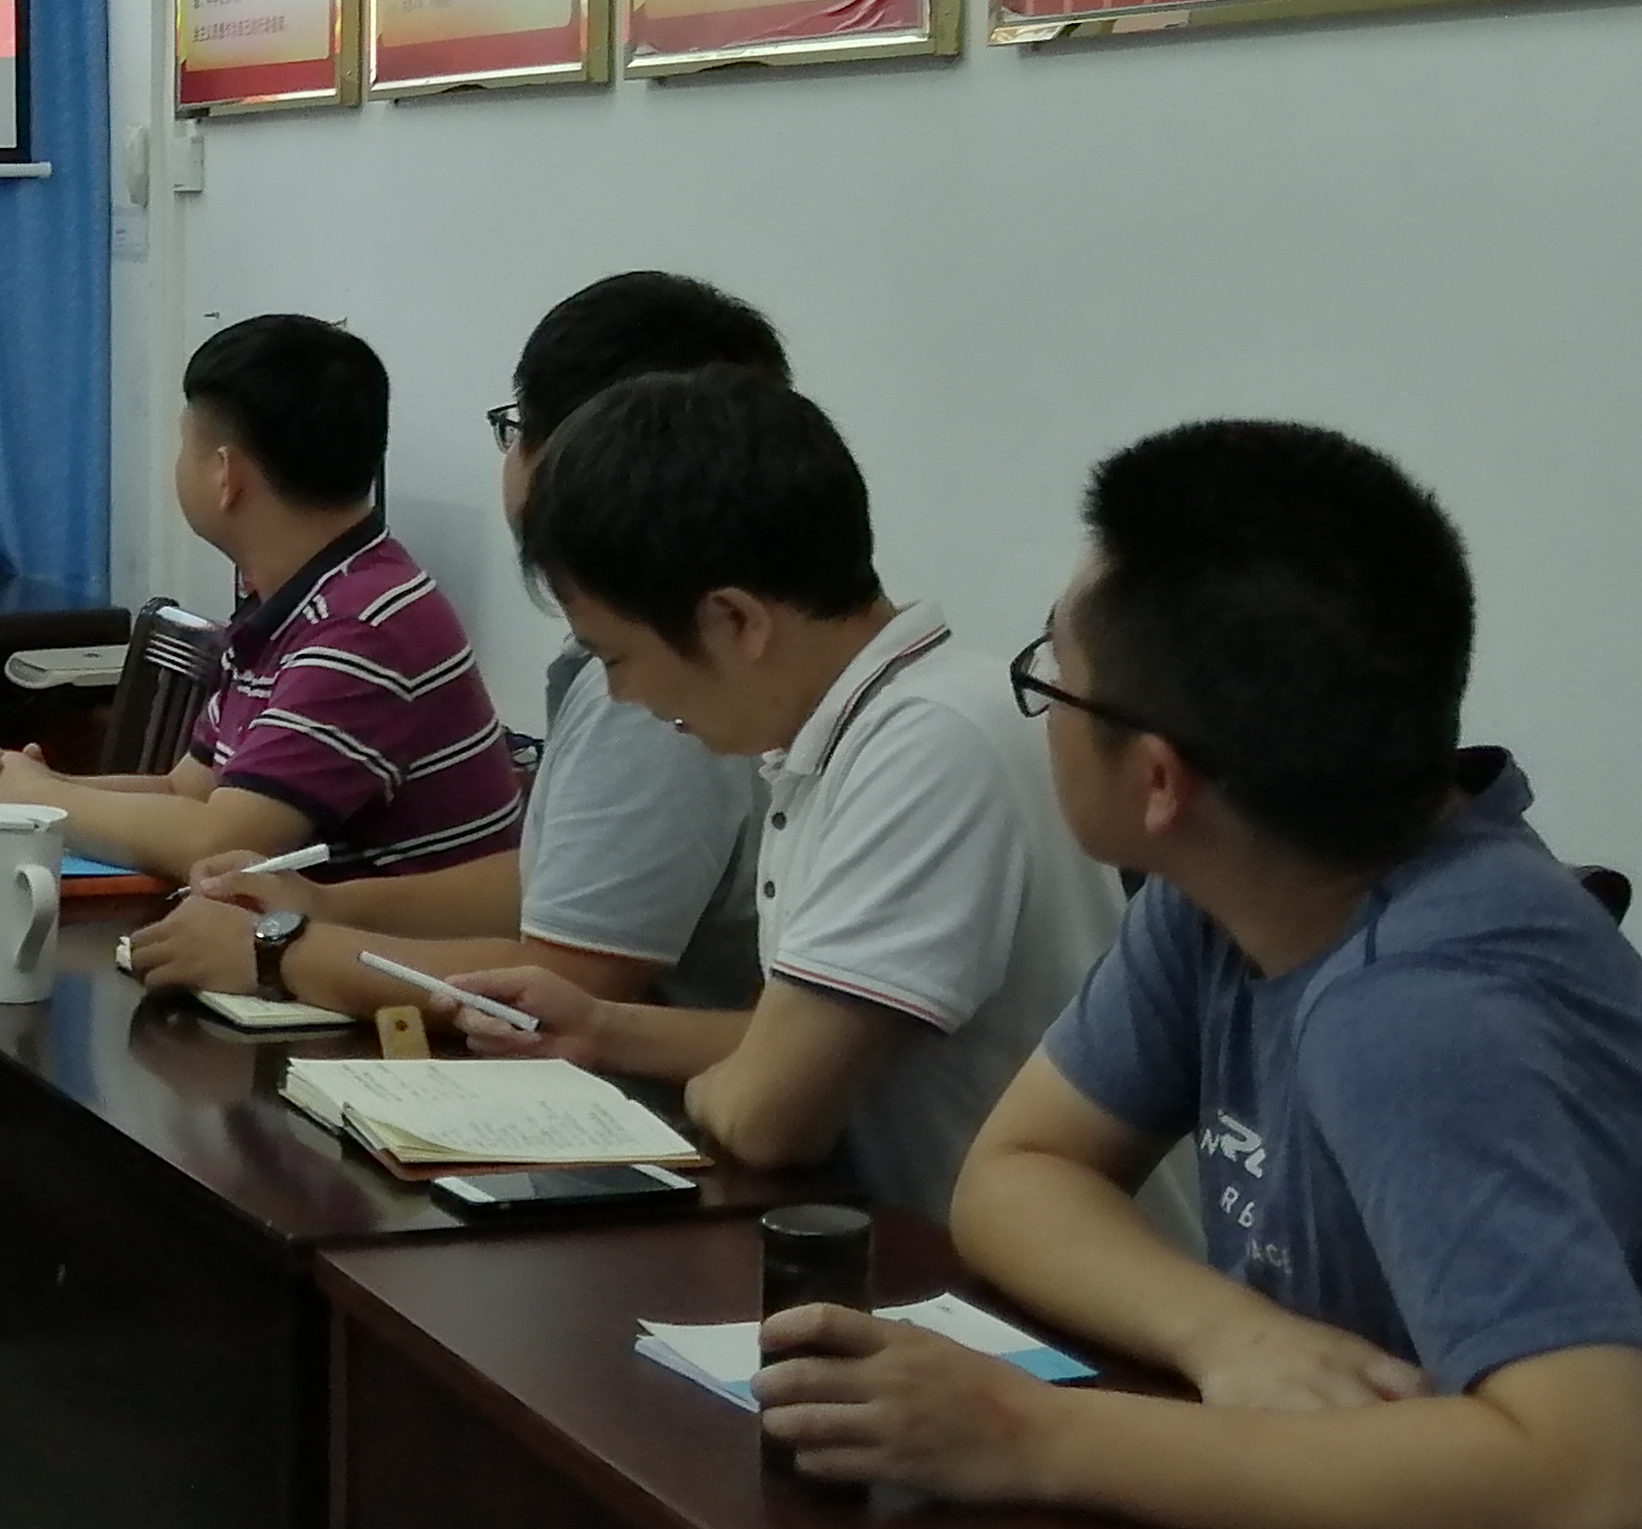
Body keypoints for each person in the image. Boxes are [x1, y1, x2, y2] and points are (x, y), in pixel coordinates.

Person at [747, 424, 1642, 1529]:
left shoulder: (1420, 1005)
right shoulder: (1229, 888)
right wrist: (1230, 1334)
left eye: (1050, 676)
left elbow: (1593, 1509)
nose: (1040, 709)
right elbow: (1016, 1175)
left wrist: (1027, 1434)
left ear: (1158, 779)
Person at [440, 369, 1147, 1225]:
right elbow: (805, 1038)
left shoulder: (929, 743)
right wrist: (601, 1028)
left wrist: (730, 1086)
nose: (623, 697)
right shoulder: (842, 732)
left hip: (1001, 1277)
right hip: (912, 1244)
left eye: (616, 658)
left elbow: (771, 1117)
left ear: (734, 621)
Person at [123, 274, 779, 1020]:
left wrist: (280, 951)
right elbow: (543, 884)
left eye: (517, 427)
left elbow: (572, 983)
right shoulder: (669, 645)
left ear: (591, 455)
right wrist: (319, 904)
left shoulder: (658, 688)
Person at [0, 315, 523, 882]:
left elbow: (223, 844)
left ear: (225, 474)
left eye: (186, 444)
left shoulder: (365, 625)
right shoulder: (294, 604)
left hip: (381, 939)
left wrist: (39, 802)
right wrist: (32, 785)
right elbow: (187, 792)